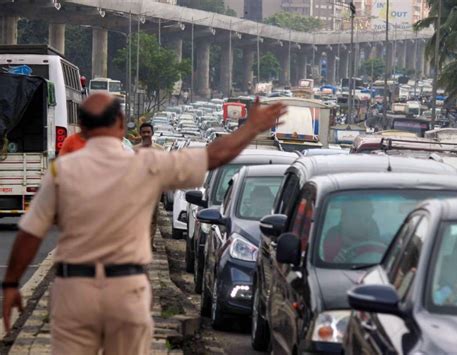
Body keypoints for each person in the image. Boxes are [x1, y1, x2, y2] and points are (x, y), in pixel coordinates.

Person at [2, 92, 286, 354]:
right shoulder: (146, 164)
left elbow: (31, 232)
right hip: (125, 289)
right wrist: (250, 128)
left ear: (83, 129)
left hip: (74, 290)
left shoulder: (62, 170)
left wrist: (12, 283)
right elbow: (214, 156)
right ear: (122, 124)